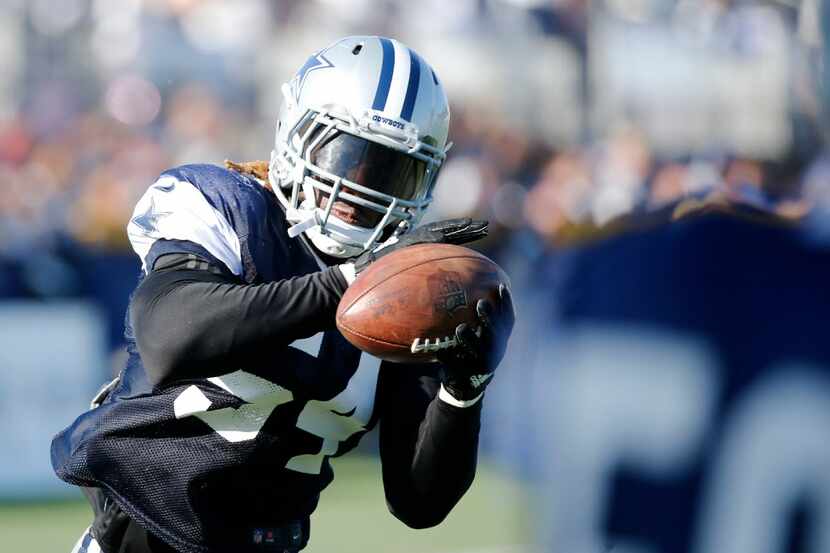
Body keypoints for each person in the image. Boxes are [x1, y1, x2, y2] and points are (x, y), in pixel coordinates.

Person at [51, 36, 514, 553]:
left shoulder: (405, 286)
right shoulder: (224, 207)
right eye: (350, 156)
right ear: (296, 129)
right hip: (145, 537)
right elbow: (168, 334)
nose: (363, 191)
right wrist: (347, 279)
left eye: (393, 171)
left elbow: (419, 501)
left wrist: (464, 391)